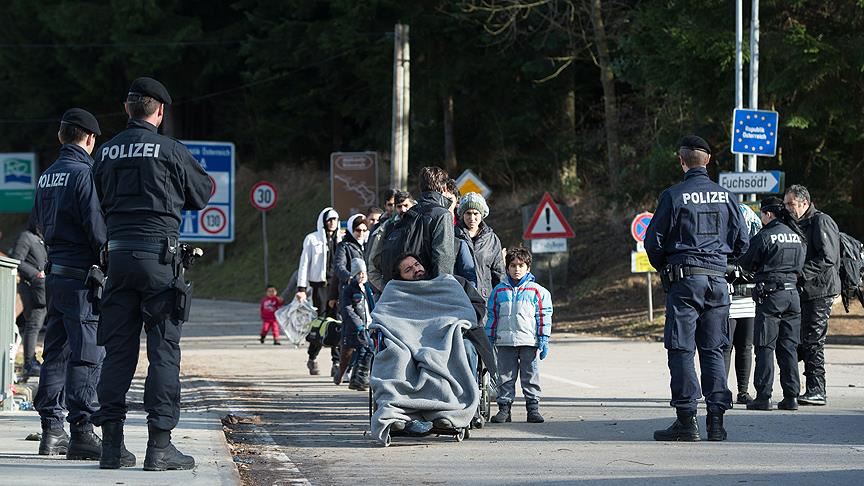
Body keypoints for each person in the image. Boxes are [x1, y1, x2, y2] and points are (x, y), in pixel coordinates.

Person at [92, 77, 212, 470]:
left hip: (117, 261)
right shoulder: (171, 150)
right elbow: (202, 193)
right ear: (160, 111)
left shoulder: (106, 152)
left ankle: (111, 447)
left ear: (127, 109)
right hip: (160, 262)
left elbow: (95, 202)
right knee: (163, 353)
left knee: (117, 354)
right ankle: (159, 447)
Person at [645, 135, 749, 442]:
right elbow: (743, 242)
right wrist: (722, 262)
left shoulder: (674, 195)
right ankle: (716, 422)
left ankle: (686, 421)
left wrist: (665, 267)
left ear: (682, 161)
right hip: (718, 282)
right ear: (709, 159)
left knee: (681, 349)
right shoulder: (728, 197)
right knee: (714, 349)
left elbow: (653, 241)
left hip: (685, 281)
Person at [30, 108, 114, 462]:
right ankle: (82, 430)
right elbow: (96, 228)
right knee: (86, 352)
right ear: (90, 139)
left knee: (55, 351)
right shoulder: (84, 174)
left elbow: (37, 223)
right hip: (81, 274)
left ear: (61, 136)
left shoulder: (46, 175)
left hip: (55, 273)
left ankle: (52, 430)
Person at [736, 197, 806, 411]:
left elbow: (746, 262)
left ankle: (763, 396)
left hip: (771, 296)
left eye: (762, 215)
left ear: (768, 214)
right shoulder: (797, 235)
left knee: (765, 346)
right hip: (793, 296)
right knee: (788, 348)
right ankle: (791, 396)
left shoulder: (765, 235)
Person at [784, 184, 840, 406]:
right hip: (806, 290)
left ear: (804, 203)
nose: (787, 208)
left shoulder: (820, 221)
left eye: (791, 204)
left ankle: (817, 389)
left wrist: (800, 274)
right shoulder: (797, 223)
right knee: (800, 340)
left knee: (813, 340)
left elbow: (828, 257)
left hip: (820, 290)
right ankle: (803, 385)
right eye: (785, 203)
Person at [486, 247, 552, 424]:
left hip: (529, 342)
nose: (517, 269)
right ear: (507, 268)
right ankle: (504, 410)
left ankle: (533, 409)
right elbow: (492, 315)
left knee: (530, 376)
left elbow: (544, 316)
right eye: (513, 265)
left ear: (528, 268)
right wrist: (489, 337)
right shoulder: (499, 291)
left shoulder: (538, 292)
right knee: (505, 377)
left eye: (521, 265)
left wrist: (543, 338)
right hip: (505, 342)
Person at [296, 207, 342, 376]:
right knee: (321, 322)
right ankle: (312, 356)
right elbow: (304, 264)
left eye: (335, 219)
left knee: (337, 322)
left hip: (336, 286)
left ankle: (336, 362)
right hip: (319, 287)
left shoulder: (341, 239)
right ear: (323, 221)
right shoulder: (312, 239)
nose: (332, 223)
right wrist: (301, 288)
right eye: (329, 220)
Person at [724, 203, 762, 405]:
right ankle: (721, 390)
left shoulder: (757, 244)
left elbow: (758, 270)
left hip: (749, 301)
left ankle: (743, 391)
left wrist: (739, 273)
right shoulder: (723, 242)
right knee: (725, 347)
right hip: (728, 301)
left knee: (745, 347)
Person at [10, 221, 47, 379]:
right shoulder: (26, 237)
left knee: (36, 325)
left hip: (42, 288)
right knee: (33, 324)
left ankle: (32, 361)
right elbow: (17, 260)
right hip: (31, 287)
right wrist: (35, 274)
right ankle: (29, 362)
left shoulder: (40, 239)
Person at [456, 192, 505, 301]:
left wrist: (500, 300)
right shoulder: (454, 235)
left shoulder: (491, 239)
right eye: (468, 213)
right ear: (462, 214)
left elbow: (499, 272)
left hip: (485, 300)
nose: (472, 218)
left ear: (481, 215)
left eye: (476, 213)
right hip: (460, 297)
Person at [336, 258, 375, 389]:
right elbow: (347, 309)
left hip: (367, 324)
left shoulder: (367, 289)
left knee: (364, 351)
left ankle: (356, 380)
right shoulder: (349, 289)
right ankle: (361, 378)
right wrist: (358, 324)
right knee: (368, 349)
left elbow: (371, 305)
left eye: (363, 273)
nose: (362, 275)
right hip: (355, 327)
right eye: (359, 273)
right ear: (354, 274)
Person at [367, 190, 414, 293]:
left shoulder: (420, 224)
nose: (403, 210)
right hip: (394, 289)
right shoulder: (386, 228)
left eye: (406, 205)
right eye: (399, 206)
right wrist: (386, 290)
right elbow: (372, 263)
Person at [414, 167, 456, 278]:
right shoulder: (442, 214)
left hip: (408, 283)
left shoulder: (410, 212)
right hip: (431, 285)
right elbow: (443, 257)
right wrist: (444, 288)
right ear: (444, 188)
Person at [333, 214, 368, 292]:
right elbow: (339, 266)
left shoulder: (367, 245)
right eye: (358, 230)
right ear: (351, 229)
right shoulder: (344, 246)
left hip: (366, 289)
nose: (361, 233)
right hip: (350, 290)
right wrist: (350, 278)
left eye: (364, 230)